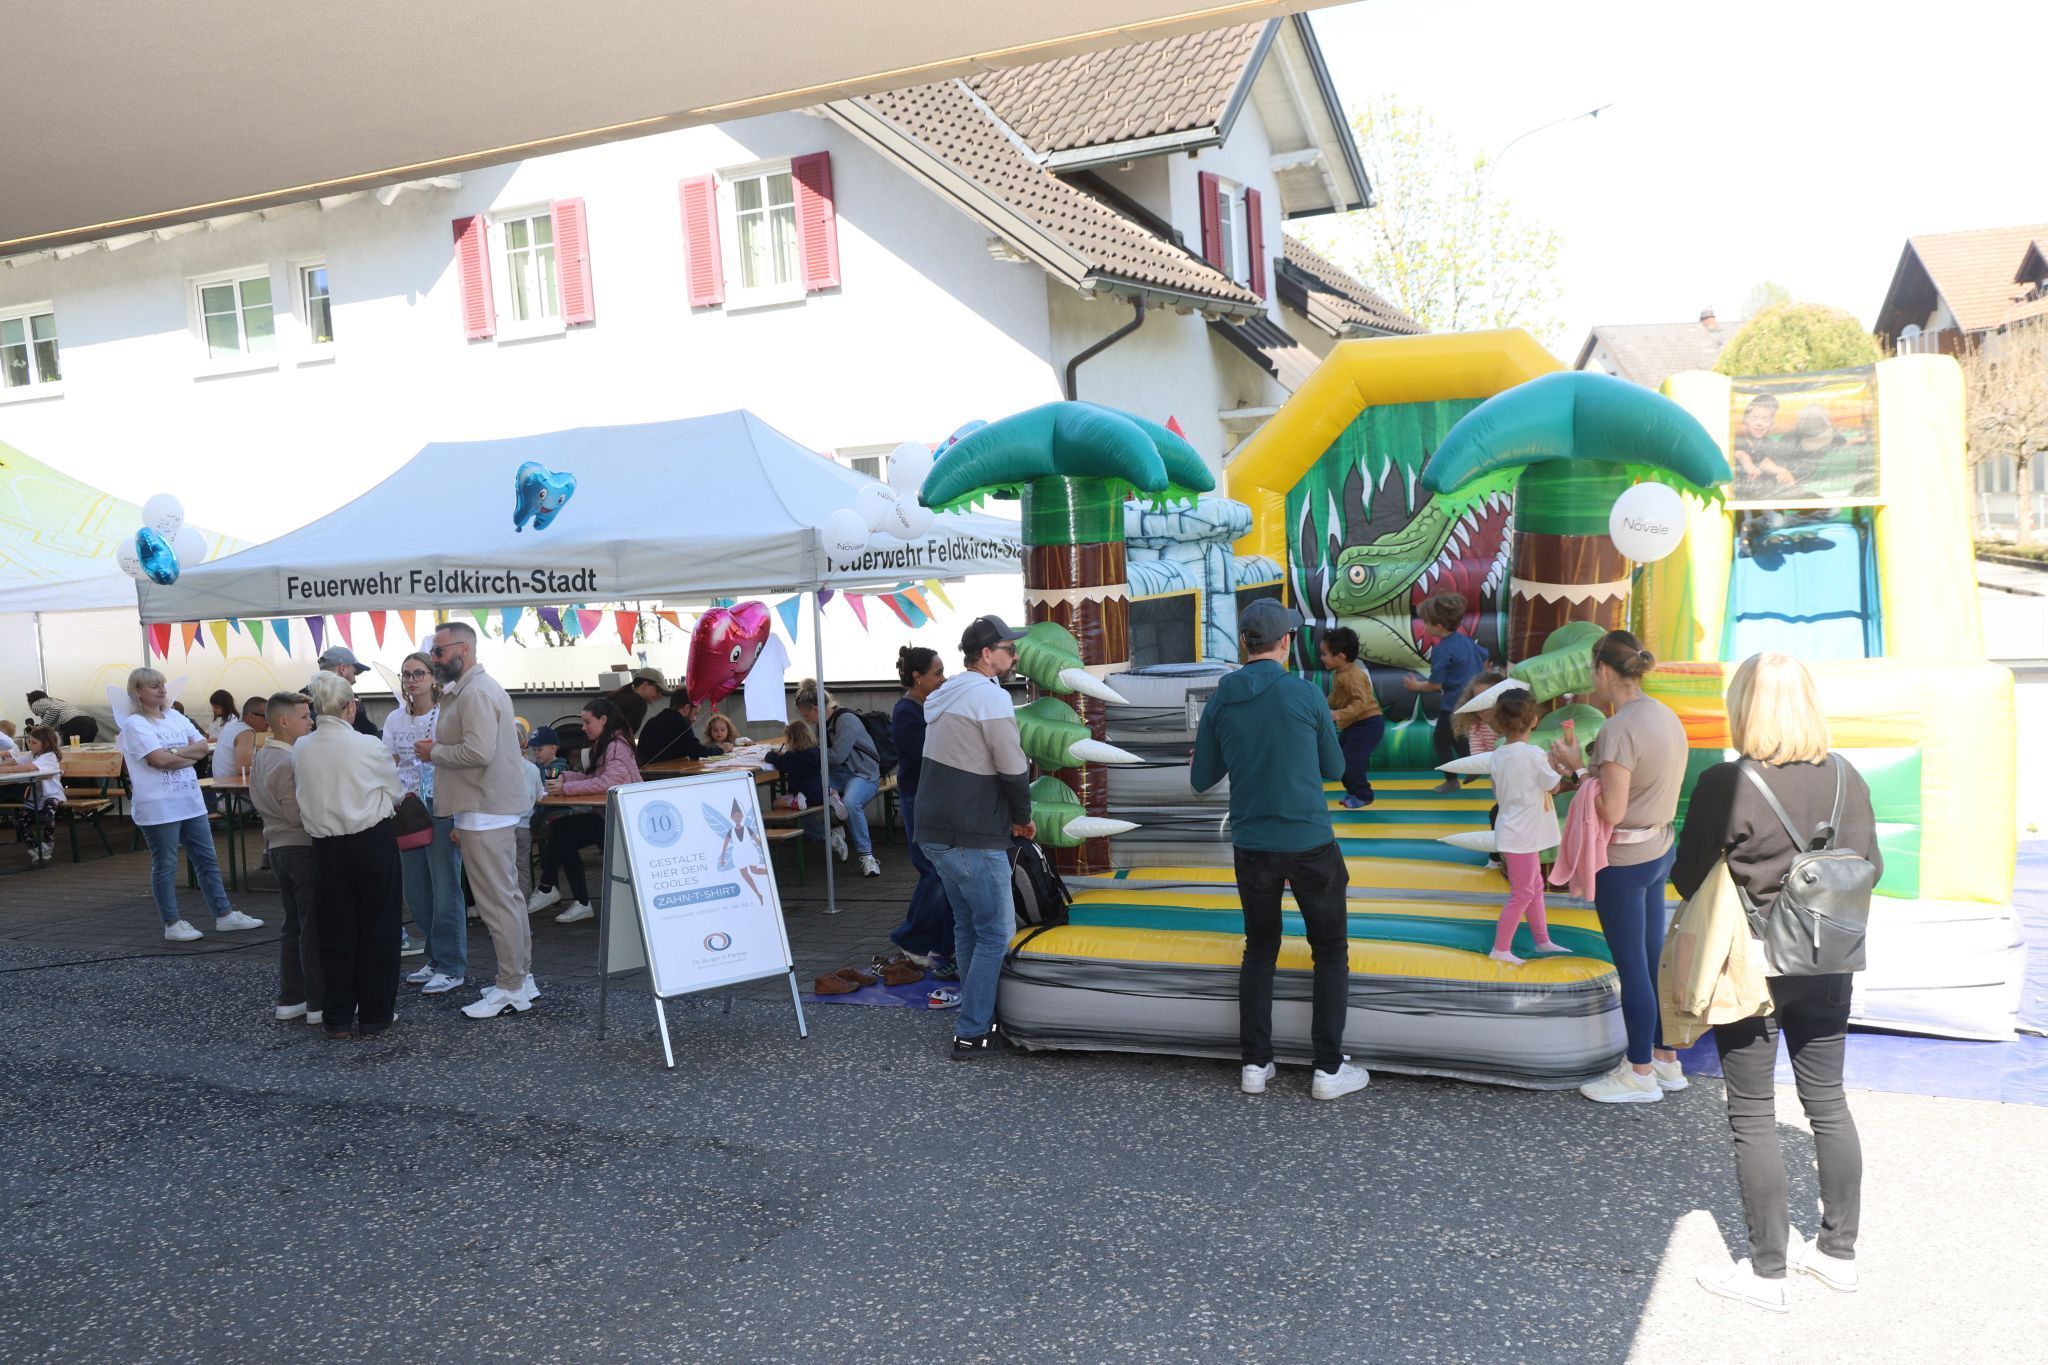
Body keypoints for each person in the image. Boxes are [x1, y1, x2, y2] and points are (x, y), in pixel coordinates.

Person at [1676, 652, 1877, 1312]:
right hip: (1831, 957)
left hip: (1754, 966)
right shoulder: (1850, 776)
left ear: (1745, 708)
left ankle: (1767, 1272)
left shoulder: (1726, 783)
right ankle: (1838, 1253)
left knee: (1753, 1113)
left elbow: (1686, 874)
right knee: (1827, 1099)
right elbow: (1869, 864)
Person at [1192, 599, 1368, 1102]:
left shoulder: (1222, 697)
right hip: (1310, 842)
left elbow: (1202, 778)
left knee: (1260, 949)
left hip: (1252, 846)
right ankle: (1328, 1071)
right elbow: (1335, 769)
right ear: (1286, 642)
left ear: (1243, 643)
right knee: (1330, 953)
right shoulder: (1305, 694)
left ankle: (1255, 1063)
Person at [1547, 629, 1691, 1104]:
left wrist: (1573, 769)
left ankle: (1639, 1072)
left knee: (1632, 966)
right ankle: (1665, 1059)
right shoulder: (1665, 716)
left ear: (1605, 671)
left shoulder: (1618, 728)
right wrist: (1586, 770)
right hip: (1658, 848)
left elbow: (1610, 809)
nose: (1593, 678)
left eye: (1593, 670)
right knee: (1651, 960)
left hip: (1625, 859)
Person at [916, 616, 1036, 1058]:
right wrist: (1022, 817)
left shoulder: (944, 696)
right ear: (987, 654)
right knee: (996, 931)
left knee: (968, 926)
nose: (1015, 656)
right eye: (1009, 648)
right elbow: (1012, 765)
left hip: (934, 829)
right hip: (973, 831)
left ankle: (973, 1017)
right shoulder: (989, 696)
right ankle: (973, 1030)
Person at [419, 621, 537, 1020]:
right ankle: (520, 977)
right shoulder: (474, 689)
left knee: (497, 904)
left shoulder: (475, 693)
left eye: (438, 652)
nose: (433, 659)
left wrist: (434, 751)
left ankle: (511, 986)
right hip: (487, 806)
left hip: (485, 809)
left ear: (463, 650)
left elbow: (478, 752)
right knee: (509, 900)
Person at [117, 667, 264, 943]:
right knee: (166, 864)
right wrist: (182, 755)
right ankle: (172, 922)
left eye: (162, 684)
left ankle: (224, 915)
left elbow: (201, 749)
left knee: (207, 860)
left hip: (190, 801)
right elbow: (157, 760)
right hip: (159, 806)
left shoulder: (174, 716)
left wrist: (174, 753)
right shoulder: (135, 725)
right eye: (153, 686)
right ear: (137, 691)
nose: (161, 689)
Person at [295, 672, 403, 1040]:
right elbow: (396, 791)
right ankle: (375, 1014)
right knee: (379, 929)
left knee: (335, 932)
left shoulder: (301, 748)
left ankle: (337, 1016)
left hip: (325, 846)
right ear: (350, 706)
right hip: (371, 841)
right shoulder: (368, 745)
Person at [384, 651, 466, 995]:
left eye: (419, 673)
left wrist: (462, 816)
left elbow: (462, 763)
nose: (412, 679)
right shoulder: (394, 719)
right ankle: (434, 957)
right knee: (416, 892)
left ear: (434, 678)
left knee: (446, 891)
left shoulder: (447, 714)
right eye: (406, 674)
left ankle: (451, 965)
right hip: (407, 809)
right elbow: (387, 762)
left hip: (443, 806)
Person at [248, 692, 324, 1026]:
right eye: (305, 716)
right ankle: (318, 1002)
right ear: (283, 721)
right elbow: (298, 813)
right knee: (312, 927)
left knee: (293, 925)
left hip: (277, 846)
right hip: (301, 847)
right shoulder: (289, 760)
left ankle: (292, 996)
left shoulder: (262, 755)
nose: (311, 721)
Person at [530, 696, 640, 924]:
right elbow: (596, 778)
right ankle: (568, 897)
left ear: (603, 720)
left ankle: (557, 892)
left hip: (622, 822)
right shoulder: (610, 744)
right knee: (561, 831)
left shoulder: (616, 747)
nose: (583, 727)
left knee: (562, 832)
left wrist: (566, 787)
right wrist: (566, 777)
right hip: (612, 817)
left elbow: (607, 782)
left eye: (587, 722)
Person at [1485, 690, 1570, 967]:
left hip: (1514, 829)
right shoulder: (1533, 754)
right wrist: (1557, 763)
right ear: (1533, 721)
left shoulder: (1498, 755)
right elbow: (1553, 786)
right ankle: (1501, 948)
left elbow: (1498, 790)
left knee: (1533, 886)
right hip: (1522, 834)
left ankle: (1542, 939)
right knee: (1523, 892)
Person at [887, 645, 955, 970]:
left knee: (940, 872)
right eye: (937, 673)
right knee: (936, 872)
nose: (943, 678)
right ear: (917, 677)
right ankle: (913, 940)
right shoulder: (906, 712)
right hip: (919, 799)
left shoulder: (925, 707)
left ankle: (938, 944)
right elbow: (929, 755)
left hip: (933, 799)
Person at [797, 680, 883, 878]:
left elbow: (836, 757)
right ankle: (830, 833)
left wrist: (810, 753)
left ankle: (867, 857)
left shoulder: (846, 720)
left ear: (817, 708)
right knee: (799, 800)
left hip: (862, 773)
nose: (807, 720)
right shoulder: (822, 722)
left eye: (807, 715)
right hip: (838, 774)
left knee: (851, 802)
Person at [1404, 592, 1485, 793]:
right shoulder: (1466, 642)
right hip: (1470, 702)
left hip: (1453, 703)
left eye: (1426, 623)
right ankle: (1473, 765)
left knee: (1440, 740)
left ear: (1439, 626)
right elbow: (1484, 656)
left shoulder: (1444, 649)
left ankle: (1452, 780)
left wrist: (1416, 686)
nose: (1424, 626)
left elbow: (1434, 684)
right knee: (1456, 737)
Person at [1318, 626, 1383, 809]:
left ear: (1340, 657)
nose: (1322, 658)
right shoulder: (1338, 674)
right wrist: (1322, 704)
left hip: (1368, 724)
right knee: (1340, 758)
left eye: (1325, 654)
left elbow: (1360, 703)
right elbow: (1336, 697)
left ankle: (1364, 794)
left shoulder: (1354, 676)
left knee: (1352, 761)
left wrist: (1339, 714)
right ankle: (1353, 791)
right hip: (1354, 725)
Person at [0, 725, 65, 867]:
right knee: (21, 819)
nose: (30, 745)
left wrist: (4, 769)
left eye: (34, 742)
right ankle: (37, 848)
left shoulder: (49, 756)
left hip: (52, 795)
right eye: (29, 742)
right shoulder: (32, 755)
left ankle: (48, 844)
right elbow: (16, 762)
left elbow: (30, 767)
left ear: (46, 743)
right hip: (35, 797)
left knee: (48, 814)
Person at [637, 690, 723, 766]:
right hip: (662, 775)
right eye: (695, 713)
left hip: (647, 773)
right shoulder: (680, 722)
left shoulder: (653, 720)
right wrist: (721, 749)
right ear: (687, 708)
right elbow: (696, 751)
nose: (694, 719)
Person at [311, 646, 382, 736]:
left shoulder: (302, 704)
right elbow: (369, 736)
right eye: (354, 673)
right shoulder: (352, 703)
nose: (354, 680)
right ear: (343, 669)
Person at [605, 666, 668, 739]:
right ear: (645, 685)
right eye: (658, 690)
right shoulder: (639, 703)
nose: (660, 695)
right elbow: (626, 737)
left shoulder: (623, 695)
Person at [27, 690, 98, 744]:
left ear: (30, 703)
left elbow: (54, 709)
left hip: (73, 723)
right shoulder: (57, 701)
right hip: (90, 722)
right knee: (84, 752)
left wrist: (40, 728)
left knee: (72, 753)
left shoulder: (36, 704)